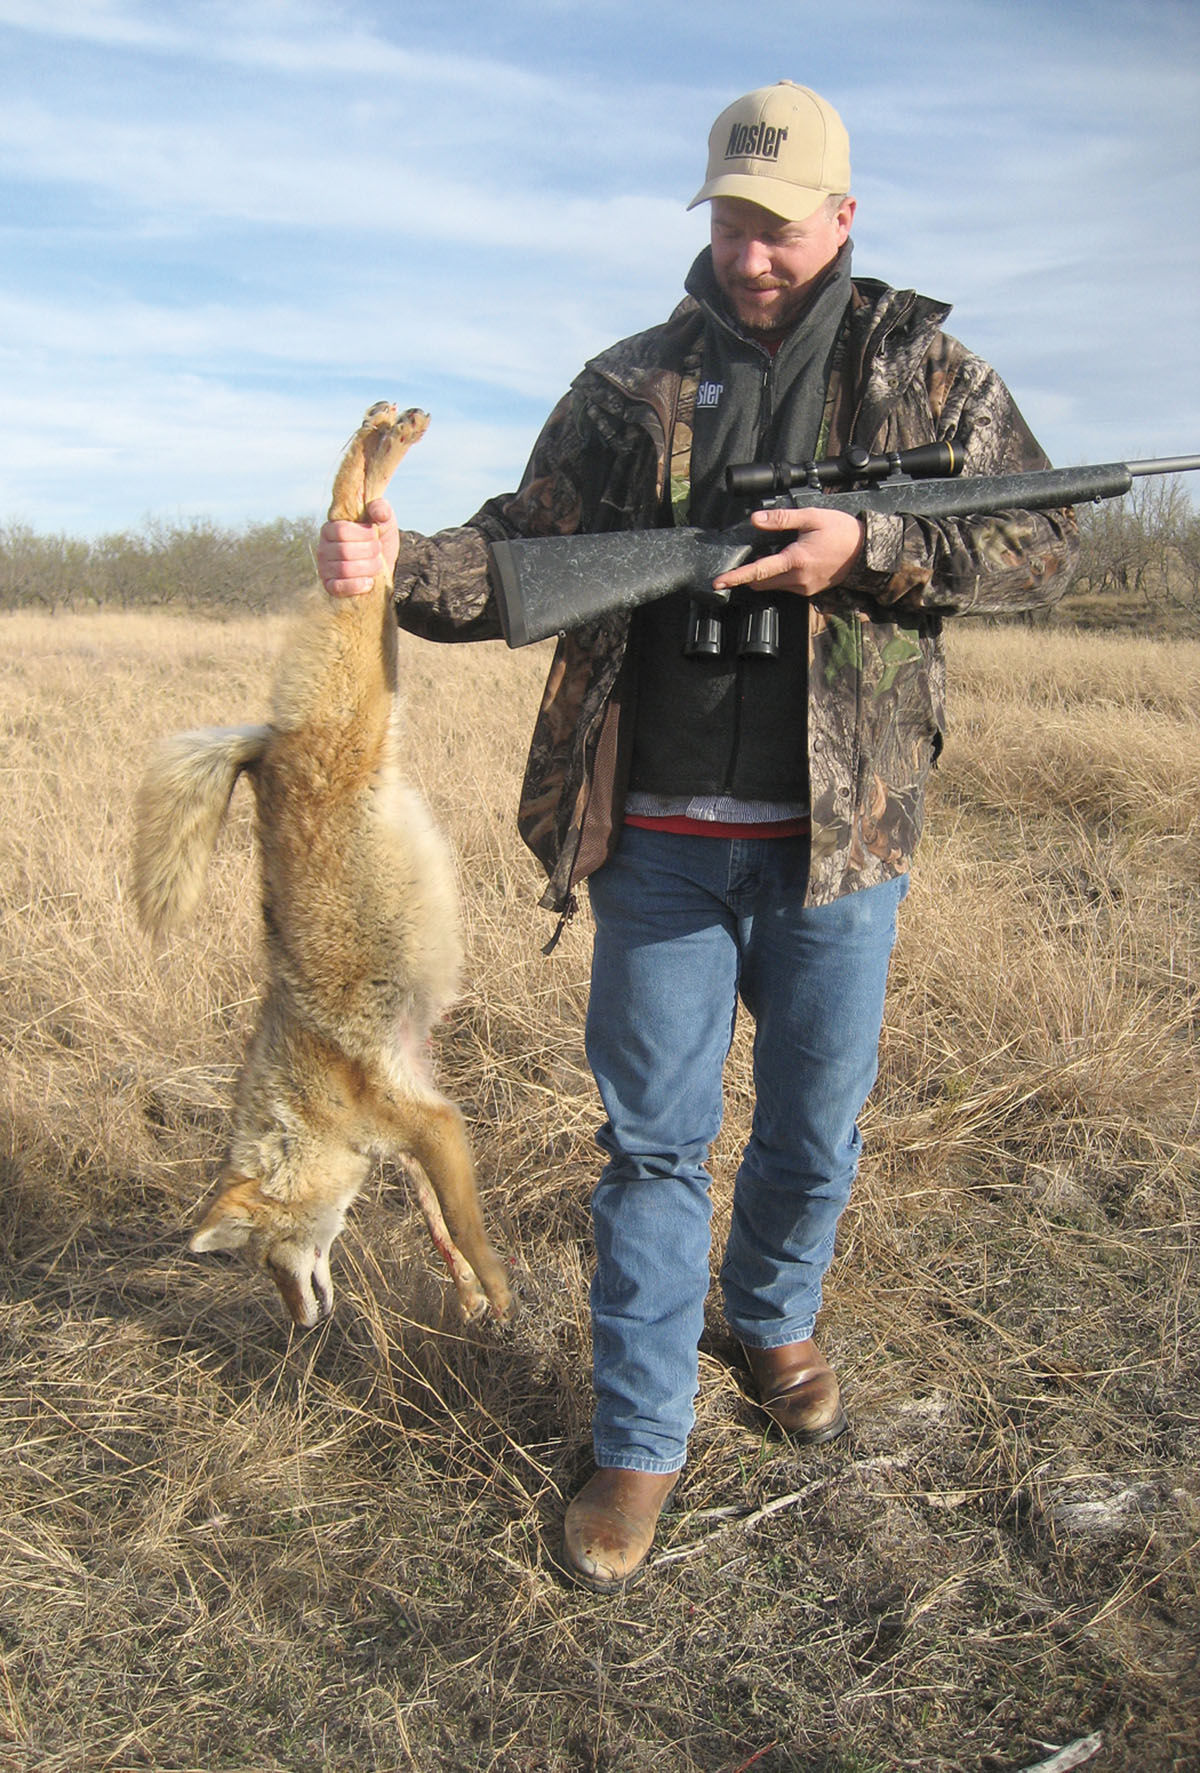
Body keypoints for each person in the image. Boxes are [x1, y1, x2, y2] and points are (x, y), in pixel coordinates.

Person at [318, 80, 1077, 1592]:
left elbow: (1047, 540)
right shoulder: (629, 386)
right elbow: (518, 551)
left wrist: (875, 547)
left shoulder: (928, 372)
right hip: (654, 837)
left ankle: (774, 1314)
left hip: (840, 848)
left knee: (811, 1128)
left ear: (844, 216)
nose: (753, 255)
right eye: (730, 223)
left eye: (782, 228)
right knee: (653, 1147)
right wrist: (396, 564)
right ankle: (640, 1438)